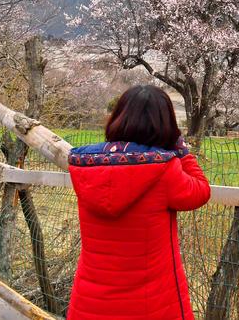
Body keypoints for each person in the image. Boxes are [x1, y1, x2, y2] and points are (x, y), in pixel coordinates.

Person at [67, 85, 211, 320]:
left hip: (90, 303)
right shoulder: (164, 168)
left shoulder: (85, 165)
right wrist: (182, 151)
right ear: (166, 124)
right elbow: (200, 191)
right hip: (150, 304)